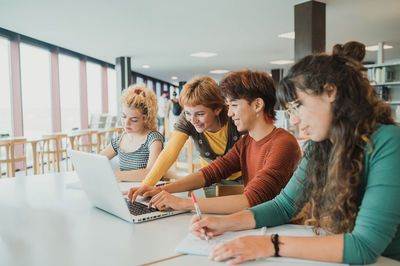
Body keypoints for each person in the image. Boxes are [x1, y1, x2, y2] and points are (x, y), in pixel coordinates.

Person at [189, 54, 400, 264]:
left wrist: (270, 245)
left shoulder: (388, 141)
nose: (294, 119)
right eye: (289, 110)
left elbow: (364, 246)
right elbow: (284, 205)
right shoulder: (321, 145)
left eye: (297, 106)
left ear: (330, 91)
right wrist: (224, 223)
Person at [128, 70, 301, 214]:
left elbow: (252, 200)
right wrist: (160, 189)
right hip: (256, 224)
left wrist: (184, 203)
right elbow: (211, 173)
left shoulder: (283, 143)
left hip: (281, 231)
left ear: (257, 105)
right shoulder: (246, 143)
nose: (230, 113)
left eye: (233, 105)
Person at [132, 76, 244, 198]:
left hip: (244, 176)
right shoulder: (187, 119)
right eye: (188, 113)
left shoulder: (234, 118)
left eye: (200, 114)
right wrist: (146, 185)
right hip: (211, 178)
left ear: (217, 109)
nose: (193, 120)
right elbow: (170, 152)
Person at [101, 84, 163, 182]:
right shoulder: (119, 140)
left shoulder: (153, 139)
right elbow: (98, 160)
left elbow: (151, 173)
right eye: (124, 117)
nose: (126, 123)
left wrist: (116, 175)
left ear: (146, 119)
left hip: (147, 193)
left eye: (134, 120)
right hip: (126, 192)